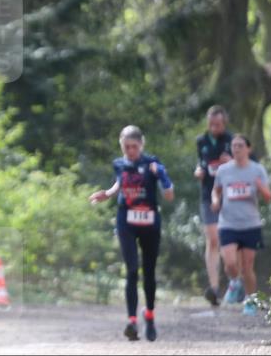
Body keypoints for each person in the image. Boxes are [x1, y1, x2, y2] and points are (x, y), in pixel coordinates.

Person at [89, 126, 174, 342]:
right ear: (121, 146)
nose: (130, 151)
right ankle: (132, 322)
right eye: (126, 147)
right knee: (132, 270)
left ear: (141, 145)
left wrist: (162, 177)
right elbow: (121, 182)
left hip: (150, 223)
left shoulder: (153, 164)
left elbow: (169, 194)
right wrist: (107, 194)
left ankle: (150, 315)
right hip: (126, 221)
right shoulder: (119, 164)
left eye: (134, 147)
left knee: (149, 272)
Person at [211, 134, 271, 316]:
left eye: (240, 146)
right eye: (234, 146)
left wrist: (260, 187)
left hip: (250, 224)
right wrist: (215, 201)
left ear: (248, 149)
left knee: (247, 267)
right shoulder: (223, 170)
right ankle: (234, 282)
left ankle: (251, 300)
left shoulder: (257, 170)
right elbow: (216, 190)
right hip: (228, 222)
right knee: (229, 263)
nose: (236, 149)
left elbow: (268, 197)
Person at [194, 106, 233, 306]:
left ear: (224, 123)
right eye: (210, 124)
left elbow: (245, 164)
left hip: (231, 197)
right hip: (207, 196)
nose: (213, 128)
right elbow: (200, 164)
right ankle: (214, 288)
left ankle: (235, 283)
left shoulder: (232, 140)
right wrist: (199, 171)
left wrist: (231, 161)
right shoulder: (201, 141)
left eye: (217, 124)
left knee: (228, 241)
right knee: (212, 240)